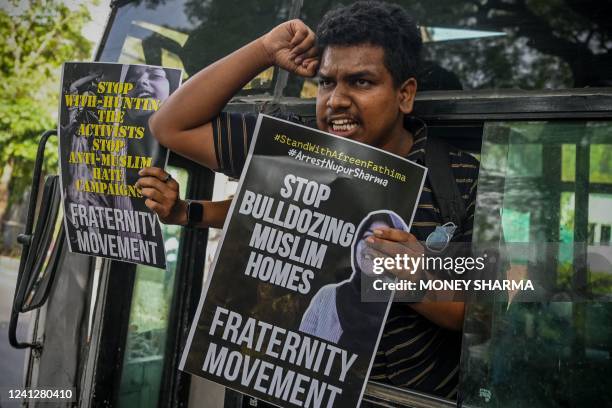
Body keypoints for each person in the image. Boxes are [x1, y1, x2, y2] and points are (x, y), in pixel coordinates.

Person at [138, 1, 478, 399]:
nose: (336, 100)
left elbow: (484, 316)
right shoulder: (292, 149)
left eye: (361, 82)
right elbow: (169, 125)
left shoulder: (458, 178)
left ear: (404, 94)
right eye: (327, 82)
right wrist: (264, 50)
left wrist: (415, 282)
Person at [300, 210, 407, 354]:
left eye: (385, 241)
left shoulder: (404, 308)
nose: (372, 245)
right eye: (367, 236)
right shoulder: (327, 296)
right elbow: (300, 350)